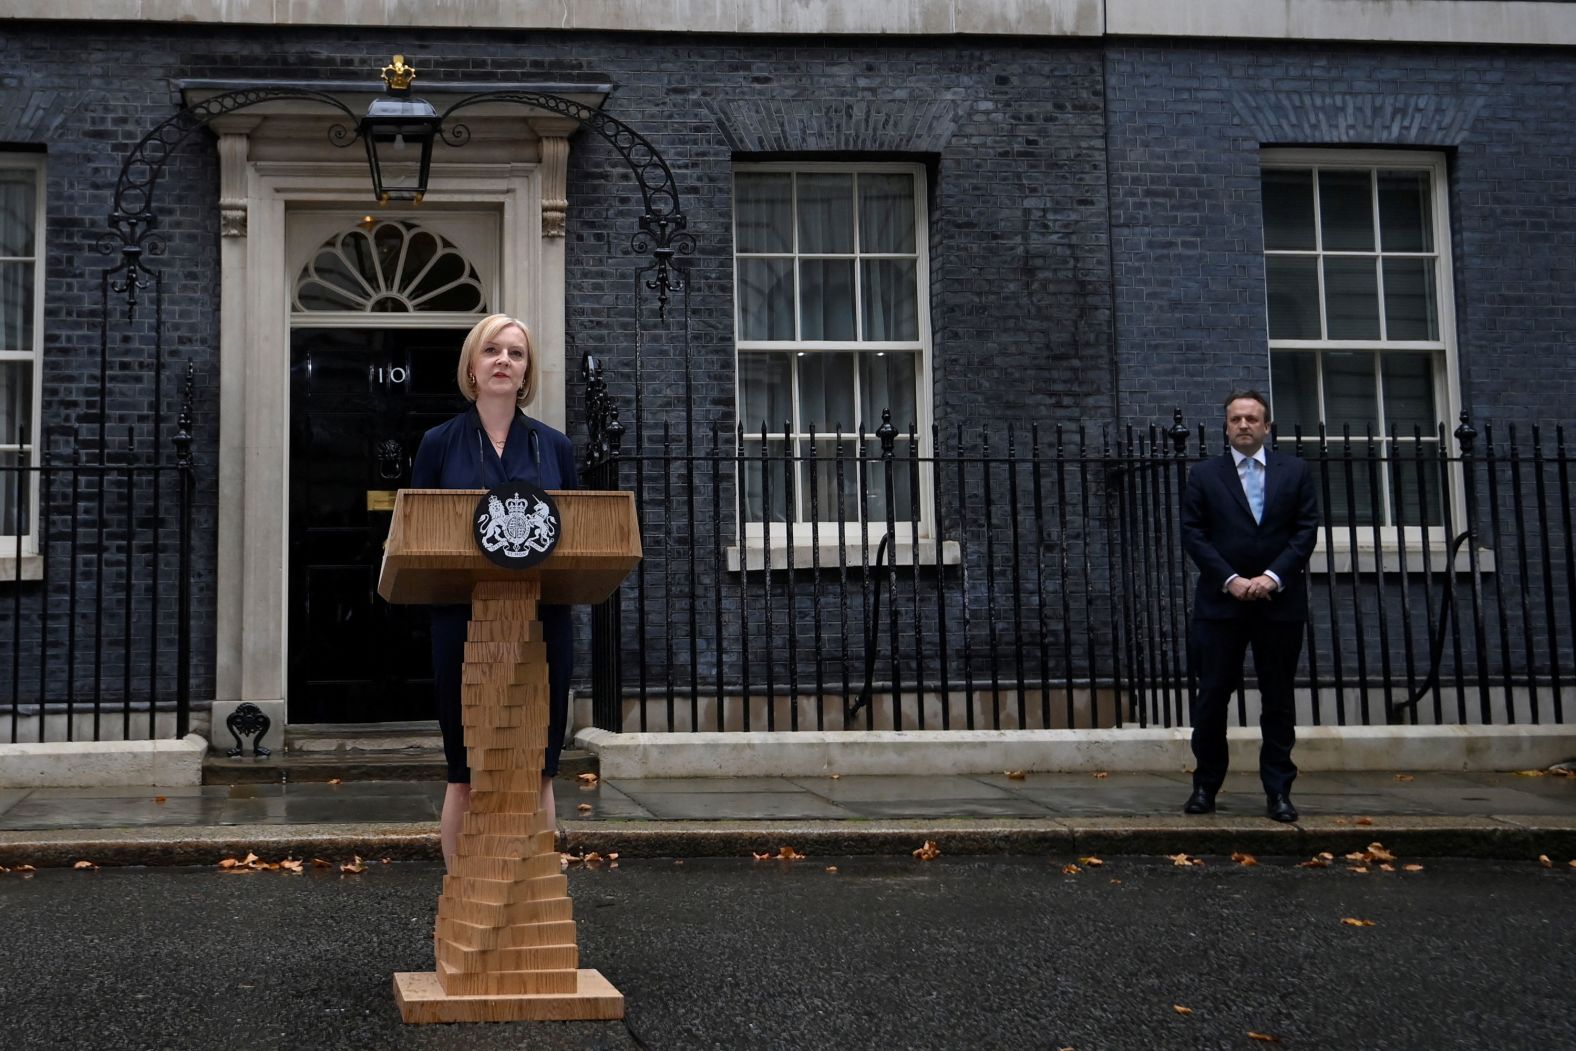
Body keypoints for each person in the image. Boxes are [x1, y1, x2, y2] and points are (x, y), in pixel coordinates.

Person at [410, 313, 579, 869]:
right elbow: (420, 532)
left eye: (516, 353)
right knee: (464, 770)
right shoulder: (438, 444)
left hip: (542, 619)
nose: (504, 360)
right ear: (473, 367)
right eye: (492, 351)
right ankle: (463, 893)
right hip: (461, 621)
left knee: (538, 766)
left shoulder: (554, 446)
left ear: (527, 371)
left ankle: (533, 895)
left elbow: (577, 535)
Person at [1179, 389, 1318, 823]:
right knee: (1213, 696)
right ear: (1226, 427)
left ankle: (1279, 792)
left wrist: (1271, 578)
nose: (1244, 425)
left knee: (1277, 700)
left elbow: (1305, 531)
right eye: (1236, 419)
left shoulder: (1294, 472)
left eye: (1252, 419)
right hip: (1221, 605)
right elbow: (1194, 534)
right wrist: (1232, 580)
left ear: (1266, 427)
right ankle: (1205, 787)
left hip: (1279, 604)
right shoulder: (1204, 475)